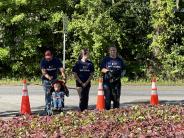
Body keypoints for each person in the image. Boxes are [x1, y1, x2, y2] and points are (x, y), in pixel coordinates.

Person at [100, 45, 126, 110]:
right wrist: (108, 72)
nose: (113, 51)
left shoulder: (119, 60)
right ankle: (107, 113)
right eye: (111, 50)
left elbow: (124, 70)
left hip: (116, 82)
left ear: (116, 51)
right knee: (108, 99)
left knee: (116, 99)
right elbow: (102, 69)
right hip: (107, 82)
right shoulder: (106, 59)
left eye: (114, 50)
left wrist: (121, 75)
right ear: (109, 51)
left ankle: (115, 113)